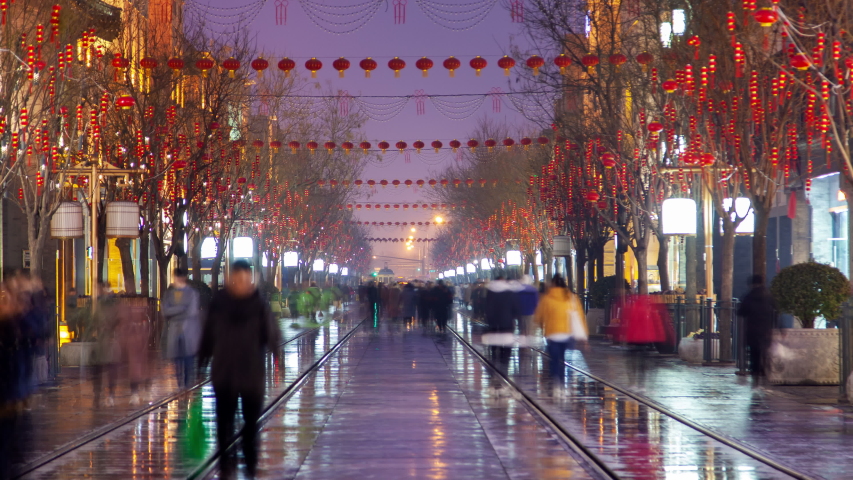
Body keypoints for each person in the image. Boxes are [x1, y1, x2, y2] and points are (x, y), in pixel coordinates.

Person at [198, 260, 282, 478]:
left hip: (251, 374)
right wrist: (202, 360)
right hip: (225, 374)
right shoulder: (219, 303)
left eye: (246, 277)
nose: (242, 282)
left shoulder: (259, 304)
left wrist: (276, 355)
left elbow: (272, 332)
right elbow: (208, 334)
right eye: (239, 277)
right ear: (232, 278)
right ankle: (227, 466)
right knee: (224, 425)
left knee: (251, 426)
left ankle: (250, 465)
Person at [534, 275, 586, 397]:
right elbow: (579, 317)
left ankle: (556, 383)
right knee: (562, 359)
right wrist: (584, 335)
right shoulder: (572, 298)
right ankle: (561, 383)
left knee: (554, 360)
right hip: (567, 334)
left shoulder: (547, 298)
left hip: (552, 334)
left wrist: (542, 327)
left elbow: (539, 316)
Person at [162, 268, 202, 389]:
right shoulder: (169, 294)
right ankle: (181, 385)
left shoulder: (192, 293)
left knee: (188, 359)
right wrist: (181, 308)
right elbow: (165, 311)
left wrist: (174, 311)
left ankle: (187, 385)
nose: (178, 279)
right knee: (177, 360)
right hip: (175, 331)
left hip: (187, 330)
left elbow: (191, 311)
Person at [483, 276, 522, 396]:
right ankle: (504, 363)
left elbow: (486, 306)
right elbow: (516, 307)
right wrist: (515, 318)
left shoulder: (490, 292)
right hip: (507, 322)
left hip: (493, 323)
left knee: (495, 344)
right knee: (507, 345)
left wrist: (488, 318)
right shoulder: (510, 292)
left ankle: (495, 359)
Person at [738, 274, 776, 379]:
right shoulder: (769, 296)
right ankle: (764, 370)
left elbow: (741, 312)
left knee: (754, 353)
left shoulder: (748, 296)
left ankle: (756, 374)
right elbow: (776, 312)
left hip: (752, 330)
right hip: (766, 330)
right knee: (764, 351)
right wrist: (780, 329)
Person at [516, 275, 539, 341]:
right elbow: (536, 302)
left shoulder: (518, 289)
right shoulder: (533, 290)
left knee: (522, 327)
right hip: (530, 311)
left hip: (520, 311)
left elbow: (515, 301)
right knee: (528, 327)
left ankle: (523, 341)